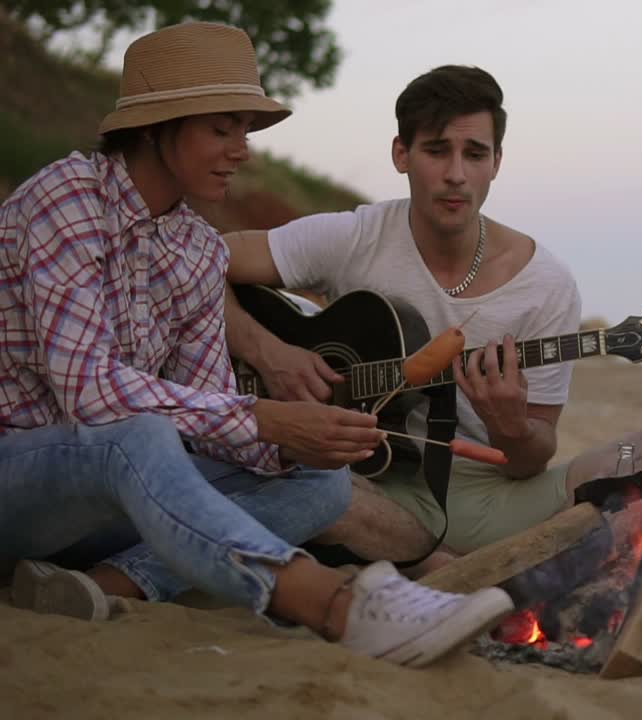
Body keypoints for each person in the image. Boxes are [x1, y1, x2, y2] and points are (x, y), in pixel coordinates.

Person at [0, 22, 513, 668]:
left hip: (103, 514)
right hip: (17, 487)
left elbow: (212, 407)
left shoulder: (194, 248)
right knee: (137, 436)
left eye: (244, 129)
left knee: (322, 485)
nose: (241, 149)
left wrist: (296, 438)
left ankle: (108, 586)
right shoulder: (66, 200)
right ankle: (337, 606)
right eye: (222, 129)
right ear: (158, 129)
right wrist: (261, 415)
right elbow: (91, 395)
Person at [223, 65, 585, 565]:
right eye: (437, 150)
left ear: (496, 162)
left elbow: (527, 463)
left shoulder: (545, 285)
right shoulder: (356, 237)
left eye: (475, 154)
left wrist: (512, 427)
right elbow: (195, 261)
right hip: (347, 467)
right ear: (401, 155)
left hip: (472, 485)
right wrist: (269, 354)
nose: (456, 174)